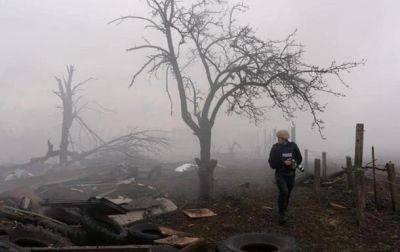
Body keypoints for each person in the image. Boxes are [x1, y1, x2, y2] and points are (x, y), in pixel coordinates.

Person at [268, 130, 302, 225]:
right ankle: (281, 214)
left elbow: (299, 159)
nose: (278, 140)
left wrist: (293, 163)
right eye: (278, 138)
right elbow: (271, 163)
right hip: (280, 175)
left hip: (291, 175)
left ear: (285, 139)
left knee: (287, 194)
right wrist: (283, 163)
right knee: (284, 191)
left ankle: (284, 210)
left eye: (280, 138)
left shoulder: (293, 146)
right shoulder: (275, 148)